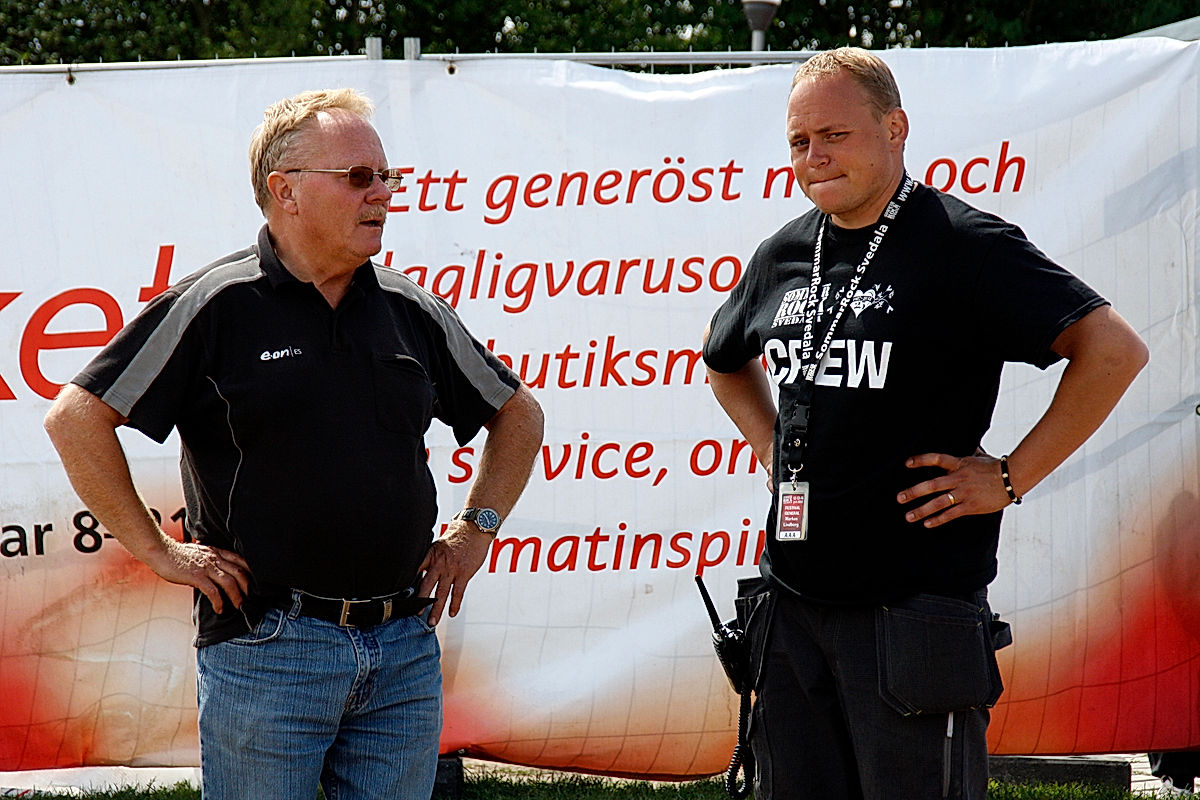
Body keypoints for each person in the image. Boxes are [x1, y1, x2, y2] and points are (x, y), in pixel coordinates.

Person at [43, 89, 544, 800]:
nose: (383, 194)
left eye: (386, 177)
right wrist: (157, 550)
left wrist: (476, 529)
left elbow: (519, 415)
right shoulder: (216, 304)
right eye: (358, 177)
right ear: (286, 191)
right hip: (268, 647)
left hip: (402, 649)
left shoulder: (410, 309)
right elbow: (76, 418)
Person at [702, 48, 1148, 800]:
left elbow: (1112, 350)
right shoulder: (784, 251)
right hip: (792, 612)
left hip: (914, 613)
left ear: (895, 127)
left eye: (835, 135)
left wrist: (1009, 477)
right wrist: (773, 445)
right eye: (799, 142)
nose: (814, 156)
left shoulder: (965, 245)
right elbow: (723, 362)